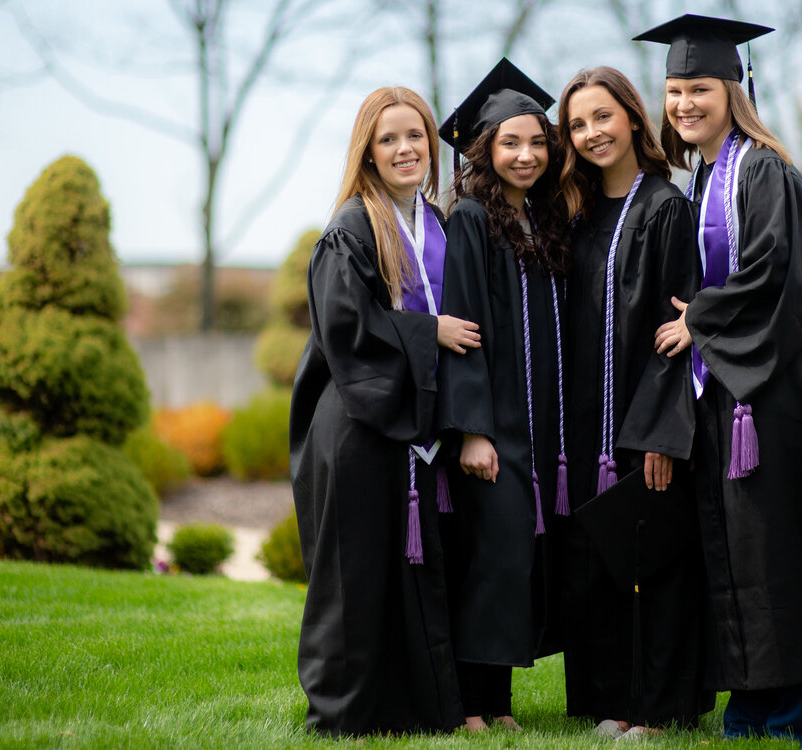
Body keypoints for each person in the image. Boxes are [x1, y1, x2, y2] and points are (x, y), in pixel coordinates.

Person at [638, 14, 802, 744]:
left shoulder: (766, 171)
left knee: (784, 551)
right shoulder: (710, 174)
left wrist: (700, 320)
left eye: (700, 89)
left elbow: (781, 274)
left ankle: (800, 716)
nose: (685, 104)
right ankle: (750, 707)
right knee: (744, 556)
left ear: (734, 92)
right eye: (676, 91)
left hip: (779, 403)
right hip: (735, 397)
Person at [289, 86, 482, 737]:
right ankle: (339, 715)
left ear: (432, 141)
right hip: (357, 425)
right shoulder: (351, 225)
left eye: (415, 135)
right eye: (389, 138)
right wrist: (430, 334)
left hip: (409, 427)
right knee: (356, 579)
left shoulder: (435, 223)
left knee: (410, 571)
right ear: (367, 152)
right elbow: (347, 327)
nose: (406, 149)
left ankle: (413, 711)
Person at [555, 65, 712, 739]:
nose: (592, 133)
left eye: (602, 117)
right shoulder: (578, 214)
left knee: (656, 564)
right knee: (605, 561)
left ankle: (660, 709)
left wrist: (661, 432)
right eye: (578, 124)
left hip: (643, 419)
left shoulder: (664, 207)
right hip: (586, 422)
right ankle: (611, 700)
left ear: (632, 117)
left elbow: (678, 332)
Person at [435, 58, 572, 733]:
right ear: (483, 150)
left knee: (514, 559)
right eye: (509, 143)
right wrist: (472, 429)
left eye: (536, 141)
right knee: (486, 561)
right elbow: (459, 329)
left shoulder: (539, 223)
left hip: (539, 426)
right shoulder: (468, 220)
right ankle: (469, 705)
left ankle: (499, 702)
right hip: (495, 426)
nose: (526, 154)